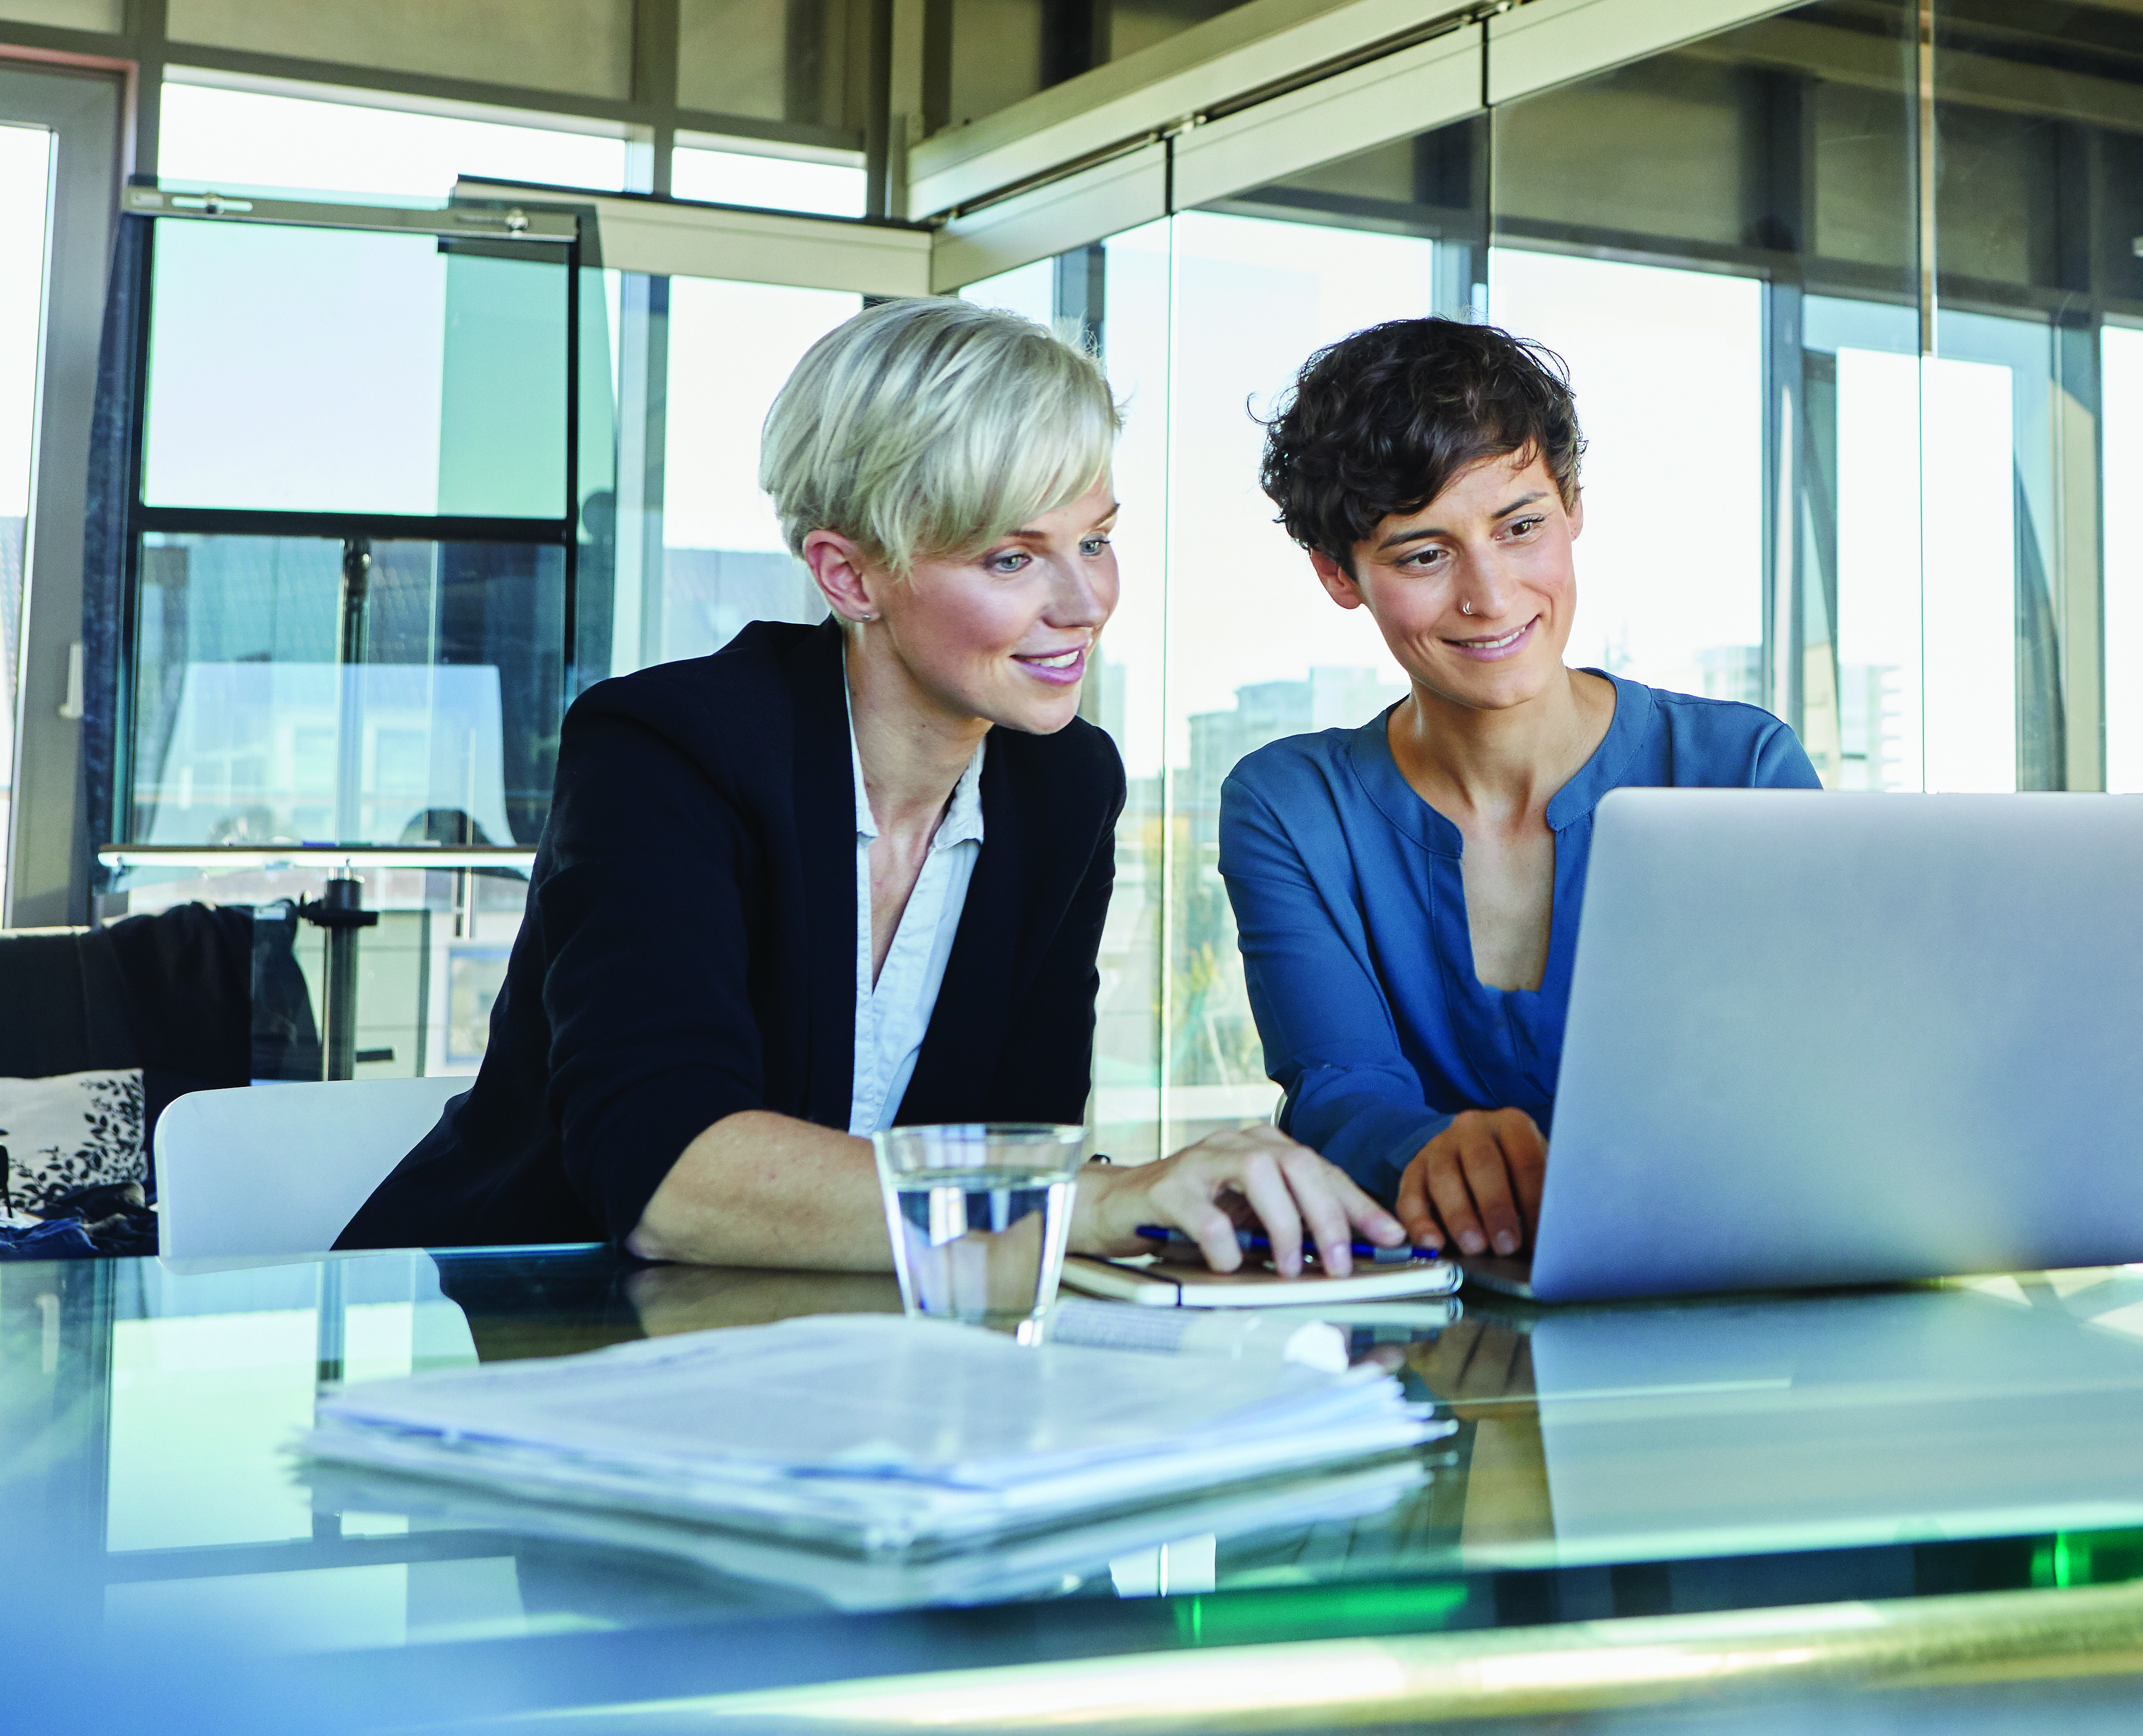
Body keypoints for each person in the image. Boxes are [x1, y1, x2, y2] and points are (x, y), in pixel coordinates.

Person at [345, 298, 1399, 1276]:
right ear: (849, 576)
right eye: (1010, 558)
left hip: (822, 1355)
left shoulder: (1064, 783)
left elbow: (1018, 1144)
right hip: (514, 1335)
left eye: (1096, 539)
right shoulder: (666, 748)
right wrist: (1106, 1200)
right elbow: (667, 1180)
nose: (1086, 601)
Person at [1221, 319, 1818, 1262]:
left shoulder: (1740, 768)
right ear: (1341, 576)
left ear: (1573, 506)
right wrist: (1428, 1150)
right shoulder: (1294, 805)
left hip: (1724, 1279)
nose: (1491, 597)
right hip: (1435, 1320)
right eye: (1424, 554)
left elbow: (1806, 1080)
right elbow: (1337, 1087)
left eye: (1521, 527)